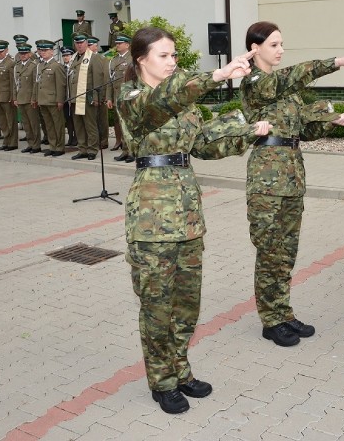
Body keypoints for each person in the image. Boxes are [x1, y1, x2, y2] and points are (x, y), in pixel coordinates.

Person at [116, 26, 271, 414]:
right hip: (152, 219)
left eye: (174, 57)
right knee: (156, 304)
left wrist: (248, 130)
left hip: (187, 215)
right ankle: (161, 380)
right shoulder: (133, 97)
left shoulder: (180, 101)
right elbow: (160, 103)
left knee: (186, 302)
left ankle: (181, 369)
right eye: (164, 56)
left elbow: (202, 143)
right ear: (141, 60)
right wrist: (216, 76)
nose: (172, 63)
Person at [241, 21, 344, 347]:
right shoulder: (255, 82)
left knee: (286, 251)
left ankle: (283, 312)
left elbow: (301, 130)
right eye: (274, 44)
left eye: (282, 43)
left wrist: (329, 121)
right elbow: (294, 75)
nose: (281, 50)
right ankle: (270, 320)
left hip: (292, 176)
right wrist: (337, 62)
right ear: (255, 49)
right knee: (269, 250)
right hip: (267, 180)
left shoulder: (289, 92)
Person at [67, 34, 107, 160]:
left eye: (82, 42)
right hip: (75, 97)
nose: (79, 45)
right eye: (77, 43)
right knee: (78, 126)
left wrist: (96, 97)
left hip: (87, 97)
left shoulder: (94, 58)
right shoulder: (74, 58)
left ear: (86, 43)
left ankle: (92, 150)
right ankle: (82, 149)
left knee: (90, 125)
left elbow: (98, 78)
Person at [34, 40, 67, 157]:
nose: (42, 53)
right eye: (41, 51)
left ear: (52, 52)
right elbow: (37, 84)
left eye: (45, 50)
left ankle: (60, 147)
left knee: (57, 124)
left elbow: (61, 85)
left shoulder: (56, 66)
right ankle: (52, 146)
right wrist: (36, 98)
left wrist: (60, 100)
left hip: (53, 101)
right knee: (49, 125)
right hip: (43, 100)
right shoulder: (40, 66)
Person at [106, 33, 134, 162]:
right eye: (116, 43)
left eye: (120, 43)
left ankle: (132, 152)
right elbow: (110, 82)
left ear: (127, 45)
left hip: (128, 98)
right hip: (117, 97)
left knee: (130, 126)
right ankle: (125, 150)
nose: (117, 45)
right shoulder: (114, 60)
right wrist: (109, 98)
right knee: (122, 126)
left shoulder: (132, 59)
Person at [0, 41, 18, 151]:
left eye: (1, 51)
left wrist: (13, 97)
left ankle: (12, 142)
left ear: (6, 50)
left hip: (7, 97)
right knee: (3, 121)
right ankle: (6, 140)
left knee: (10, 120)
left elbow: (13, 82)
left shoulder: (10, 63)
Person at [13, 43, 41, 153]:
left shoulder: (34, 66)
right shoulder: (17, 66)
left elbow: (35, 83)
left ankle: (36, 145)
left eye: (25, 53)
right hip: (21, 98)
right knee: (26, 123)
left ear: (29, 54)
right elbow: (15, 84)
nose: (23, 55)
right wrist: (15, 97)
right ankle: (30, 143)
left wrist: (34, 98)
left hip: (30, 99)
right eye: (21, 53)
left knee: (33, 123)